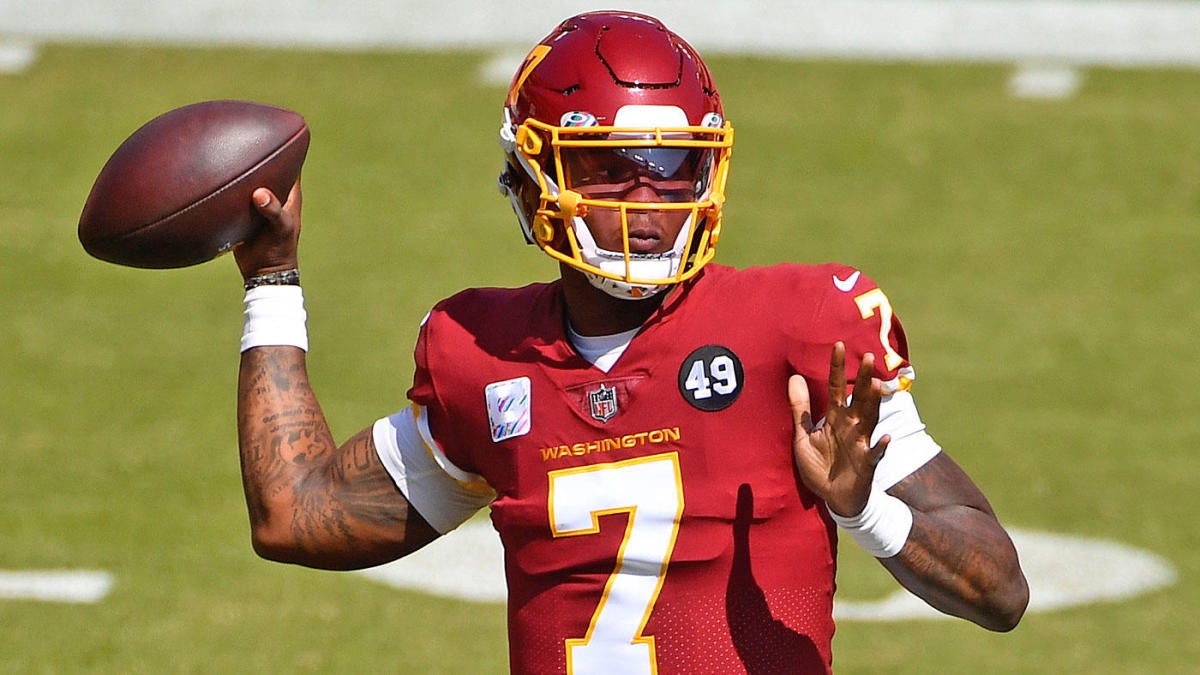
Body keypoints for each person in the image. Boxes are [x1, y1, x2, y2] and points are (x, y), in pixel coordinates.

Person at [232, 10, 1028, 674]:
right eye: (610, 167)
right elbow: (296, 516)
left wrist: (864, 510)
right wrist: (271, 280)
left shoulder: (803, 328)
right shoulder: (483, 354)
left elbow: (1000, 590)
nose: (647, 202)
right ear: (527, 178)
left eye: (673, 165)